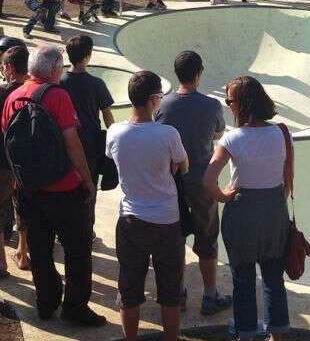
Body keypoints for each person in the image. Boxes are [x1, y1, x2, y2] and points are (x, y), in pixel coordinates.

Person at [1, 45, 105, 327]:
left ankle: (46, 303)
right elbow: (73, 144)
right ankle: (75, 307)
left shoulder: (14, 96)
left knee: (40, 248)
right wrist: (86, 179)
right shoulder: (58, 95)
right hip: (63, 187)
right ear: (56, 70)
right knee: (77, 249)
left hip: (29, 188)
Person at [204, 76, 291, 341]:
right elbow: (288, 182)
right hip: (274, 211)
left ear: (242, 104)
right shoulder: (281, 133)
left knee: (243, 279)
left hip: (242, 213)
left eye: (230, 100)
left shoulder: (233, 139)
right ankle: (277, 334)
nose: (228, 105)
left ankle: (246, 334)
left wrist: (224, 196)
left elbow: (208, 180)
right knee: (273, 278)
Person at [106, 70, 189, 341]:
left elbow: (113, 157)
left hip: (130, 218)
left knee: (130, 287)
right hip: (166, 219)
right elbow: (183, 166)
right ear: (154, 99)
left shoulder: (115, 131)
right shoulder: (168, 134)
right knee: (170, 289)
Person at [155, 51, 231, 315]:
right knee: (207, 237)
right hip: (202, 181)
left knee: (175, 234)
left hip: (172, 181)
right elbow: (219, 132)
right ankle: (210, 295)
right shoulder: (211, 105)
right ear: (199, 73)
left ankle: (177, 294)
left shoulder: (162, 105)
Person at [61, 36, 114, 231]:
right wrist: (114, 139)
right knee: (89, 187)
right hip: (90, 145)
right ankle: (87, 228)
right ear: (87, 56)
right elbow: (107, 116)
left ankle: (66, 228)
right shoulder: (96, 83)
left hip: (66, 143)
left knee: (68, 186)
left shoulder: (61, 83)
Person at [0, 46, 30, 275]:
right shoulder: (35, 92)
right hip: (26, 163)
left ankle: (1, 262)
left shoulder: (2, 93)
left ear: (9, 68)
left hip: (3, 161)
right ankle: (22, 252)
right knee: (24, 208)